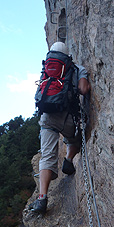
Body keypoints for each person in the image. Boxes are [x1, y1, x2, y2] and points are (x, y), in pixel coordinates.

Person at [29, 41, 90, 213]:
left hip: (47, 117)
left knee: (47, 157)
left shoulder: (46, 70)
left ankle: (42, 199)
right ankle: (69, 160)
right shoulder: (77, 69)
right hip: (67, 117)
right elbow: (83, 89)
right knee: (74, 140)